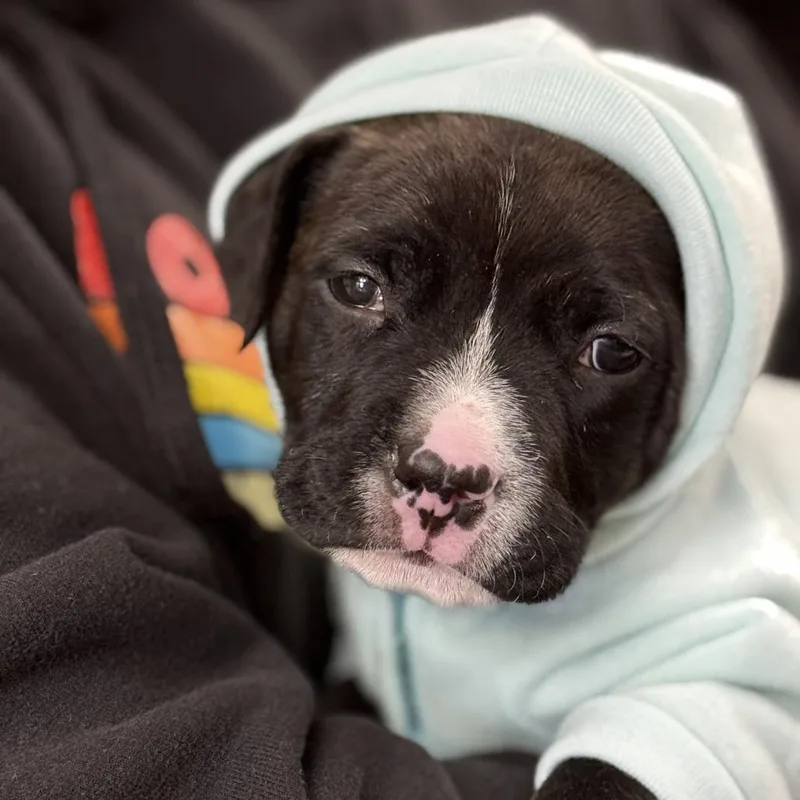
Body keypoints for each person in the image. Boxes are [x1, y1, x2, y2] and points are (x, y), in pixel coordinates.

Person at [0, 1, 797, 798]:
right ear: (261, 265)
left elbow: (745, 724)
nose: (450, 462)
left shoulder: (728, 601)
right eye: (359, 288)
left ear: (712, 369)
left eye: (605, 350)